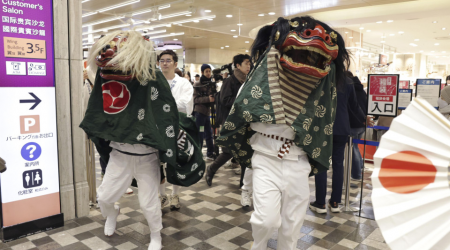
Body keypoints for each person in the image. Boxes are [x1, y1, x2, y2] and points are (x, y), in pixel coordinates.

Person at [216, 16, 350, 250]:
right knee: (265, 220)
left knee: (292, 227)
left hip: (297, 160)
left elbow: (323, 122)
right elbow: (240, 111)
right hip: (265, 157)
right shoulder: (260, 77)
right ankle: (258, 246)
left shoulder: (322, 89)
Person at [79, 31, 182, 250]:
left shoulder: (153, 77)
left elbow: (167, 112)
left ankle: (156, 234)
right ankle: (112, 214)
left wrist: (165, 148)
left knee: (149, 203)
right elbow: (100, 107)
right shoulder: (108, 77)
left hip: (147, 156)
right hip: (120, 153)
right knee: (104, 198)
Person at [310, 77, 365, 214]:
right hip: (342, 128)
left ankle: (320, 203)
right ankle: (335, 203)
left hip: (323, 127)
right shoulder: (347, 81)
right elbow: (354, 105)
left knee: (321, 164)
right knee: (338, 165)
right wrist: (364, 118)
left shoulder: (321, 76)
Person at [205, 54, 251, 190]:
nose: (249, 66)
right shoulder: (230, 81)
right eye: (246, 63)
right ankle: (211, 169)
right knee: (228, 151)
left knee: (245, 152)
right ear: (238, 65)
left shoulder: (248, 81)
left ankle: (243, 185)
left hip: (244, 121)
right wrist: (244, 103)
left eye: (249, 64)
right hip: (231, 121)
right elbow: (225, 101)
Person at [158, 49, 194, 210]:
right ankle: (162, 196)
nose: (164, 63)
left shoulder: (183, 83)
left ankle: (175, 195)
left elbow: (185, 105)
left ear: (175, 63)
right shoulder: (155, 82)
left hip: (177, 126)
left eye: (168, 60)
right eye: (162, 60)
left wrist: (163, 105)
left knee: (175, 161)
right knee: (157, 162)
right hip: (157, 127)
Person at [347, 72, 373, 180]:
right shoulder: (361, 90)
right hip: (363, 122)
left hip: (353, 123)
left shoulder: (348, 89)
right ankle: (360, 167)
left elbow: (351, 108)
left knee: (353, 149)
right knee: (356, 147)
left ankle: (356, 174)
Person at [193, 64, 215, 160]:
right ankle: (198, 154)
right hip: (200, 114)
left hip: (207, 114)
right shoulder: (198, 84)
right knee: (200, 134)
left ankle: (210, 153)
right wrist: (208, 99)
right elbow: (196, 100)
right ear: (202, 72)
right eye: (206, 71)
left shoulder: (211, 83)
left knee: (209, 133)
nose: (208, 73)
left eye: (209, 71)